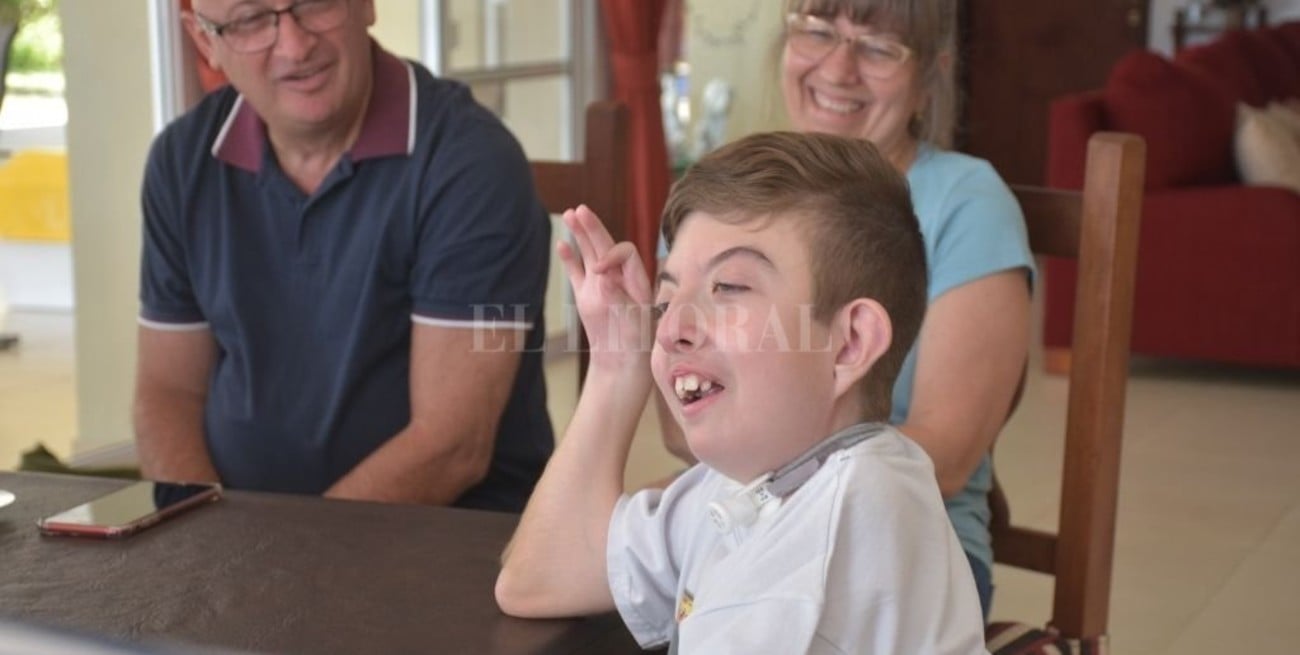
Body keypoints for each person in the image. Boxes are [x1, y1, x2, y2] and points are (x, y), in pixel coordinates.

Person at [496, 132, 988, 654]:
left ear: (850, 343)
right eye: (665, 299)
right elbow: (537, 579)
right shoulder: (753, 478)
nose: (670, 329)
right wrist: (617, 367)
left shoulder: (825, 548)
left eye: (729, 287)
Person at [658, 0, 1034, 616]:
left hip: (905, 541)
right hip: (733, 524)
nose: (838, 68)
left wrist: (765, 478)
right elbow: (683, 424)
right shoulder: (723, 192)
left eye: (879, 47)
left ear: (929, 77)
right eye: (818, 31)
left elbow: (947, 455)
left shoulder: (968, 202)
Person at [133, 0, 553, 511]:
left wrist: (279, 577)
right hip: (239, 543)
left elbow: (452, 447)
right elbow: (166, 393)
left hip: (446, 543)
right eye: (249, 20)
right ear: (205, 41)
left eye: (314, 4)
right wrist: (202, 543)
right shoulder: (180, 162)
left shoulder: (474, 163)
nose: (294, 45)